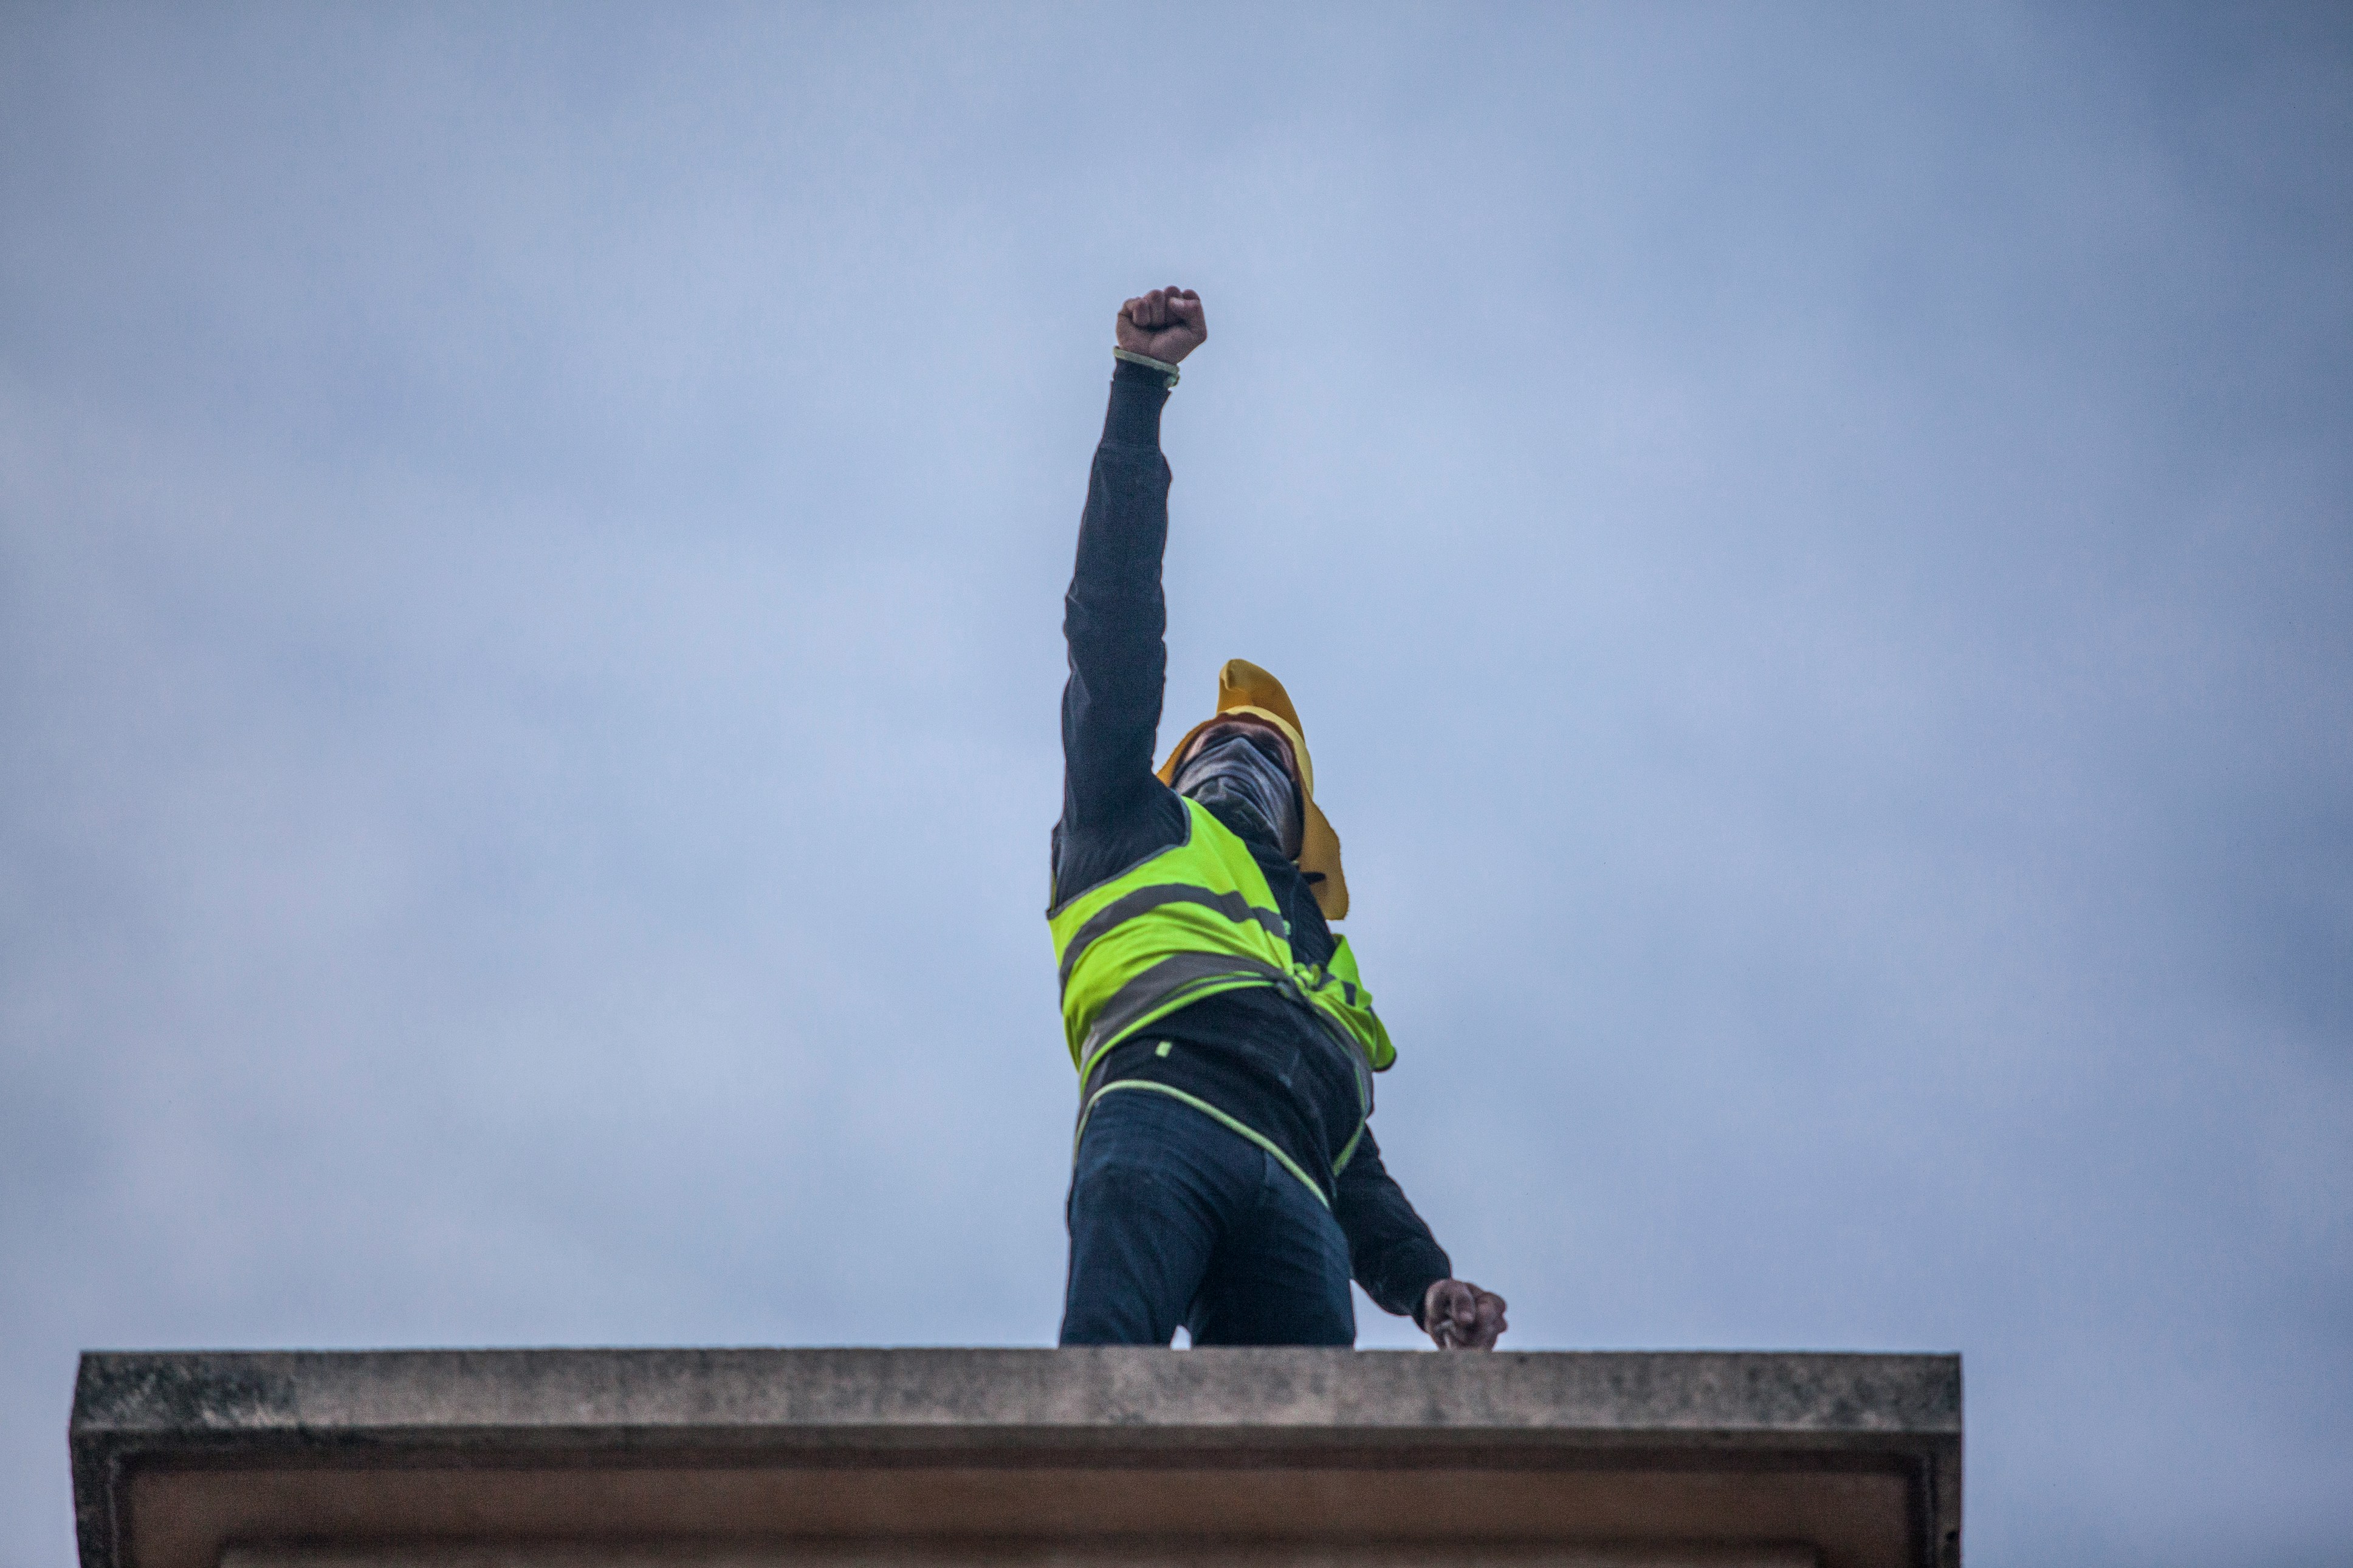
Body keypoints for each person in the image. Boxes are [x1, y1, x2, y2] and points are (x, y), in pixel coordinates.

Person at [1049, 284, 1508, 1351]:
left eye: (1270, 757)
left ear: (1301, 820)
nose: (1243, 757)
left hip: (1300, 1192)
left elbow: (1356, 1167)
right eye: (1219, 742)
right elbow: (1114, 622)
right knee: (1105, 1389)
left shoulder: (1324, 960)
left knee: (1303, 1444)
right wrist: (1140, 387)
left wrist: (1426, 1281)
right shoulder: (1124, 818)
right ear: (1176, 768)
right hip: (1158, 1107)